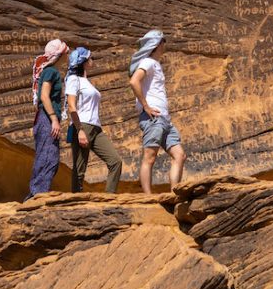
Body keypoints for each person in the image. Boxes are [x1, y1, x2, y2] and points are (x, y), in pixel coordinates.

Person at [129, 29, 186, 193]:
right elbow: (134, 82)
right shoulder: (147, 62)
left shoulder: (155, 64)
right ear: (158, 44)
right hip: (153, 117)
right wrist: (145, 106)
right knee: (150, 157)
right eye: (163, 40)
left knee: (179, 155)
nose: (164, 44)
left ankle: (175, 192)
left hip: (163, 119)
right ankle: (148, 197)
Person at [65, 46, 124, 193]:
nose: (93, 60)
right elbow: (72, 107)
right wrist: (80, 131)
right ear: (84, 62)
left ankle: (109, 199)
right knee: (79, 170)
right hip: (81, 126)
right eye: (91, 58)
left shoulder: (86, 81)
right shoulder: (73, 79)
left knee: (115, 161)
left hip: (96, 128)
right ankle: (75, 203)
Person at [26, 38, 69, 200]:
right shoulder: (51, 72)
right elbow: (44, 96)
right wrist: (54, 119)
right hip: (46, 119)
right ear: (60, 54)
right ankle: (38, 195)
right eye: (67, 52)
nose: (68, 55)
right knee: (48, 157)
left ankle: (36, 194)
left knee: (48, 156)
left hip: (44, 119)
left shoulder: (49, 71)